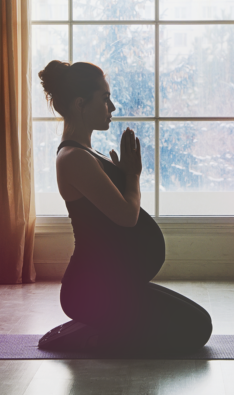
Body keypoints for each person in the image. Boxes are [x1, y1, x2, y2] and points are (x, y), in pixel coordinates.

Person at [36, 60, 212, 356]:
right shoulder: (73, 157)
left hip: (113, 285)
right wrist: (131, 176)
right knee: (195, 330)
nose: (113, 107)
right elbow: (127, 217)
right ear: (81, 103)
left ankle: (97, 327)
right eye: (104, 99)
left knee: (199, 322)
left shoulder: (90, 154)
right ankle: (89, 338)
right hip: (91, 290)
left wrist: (125, 176)